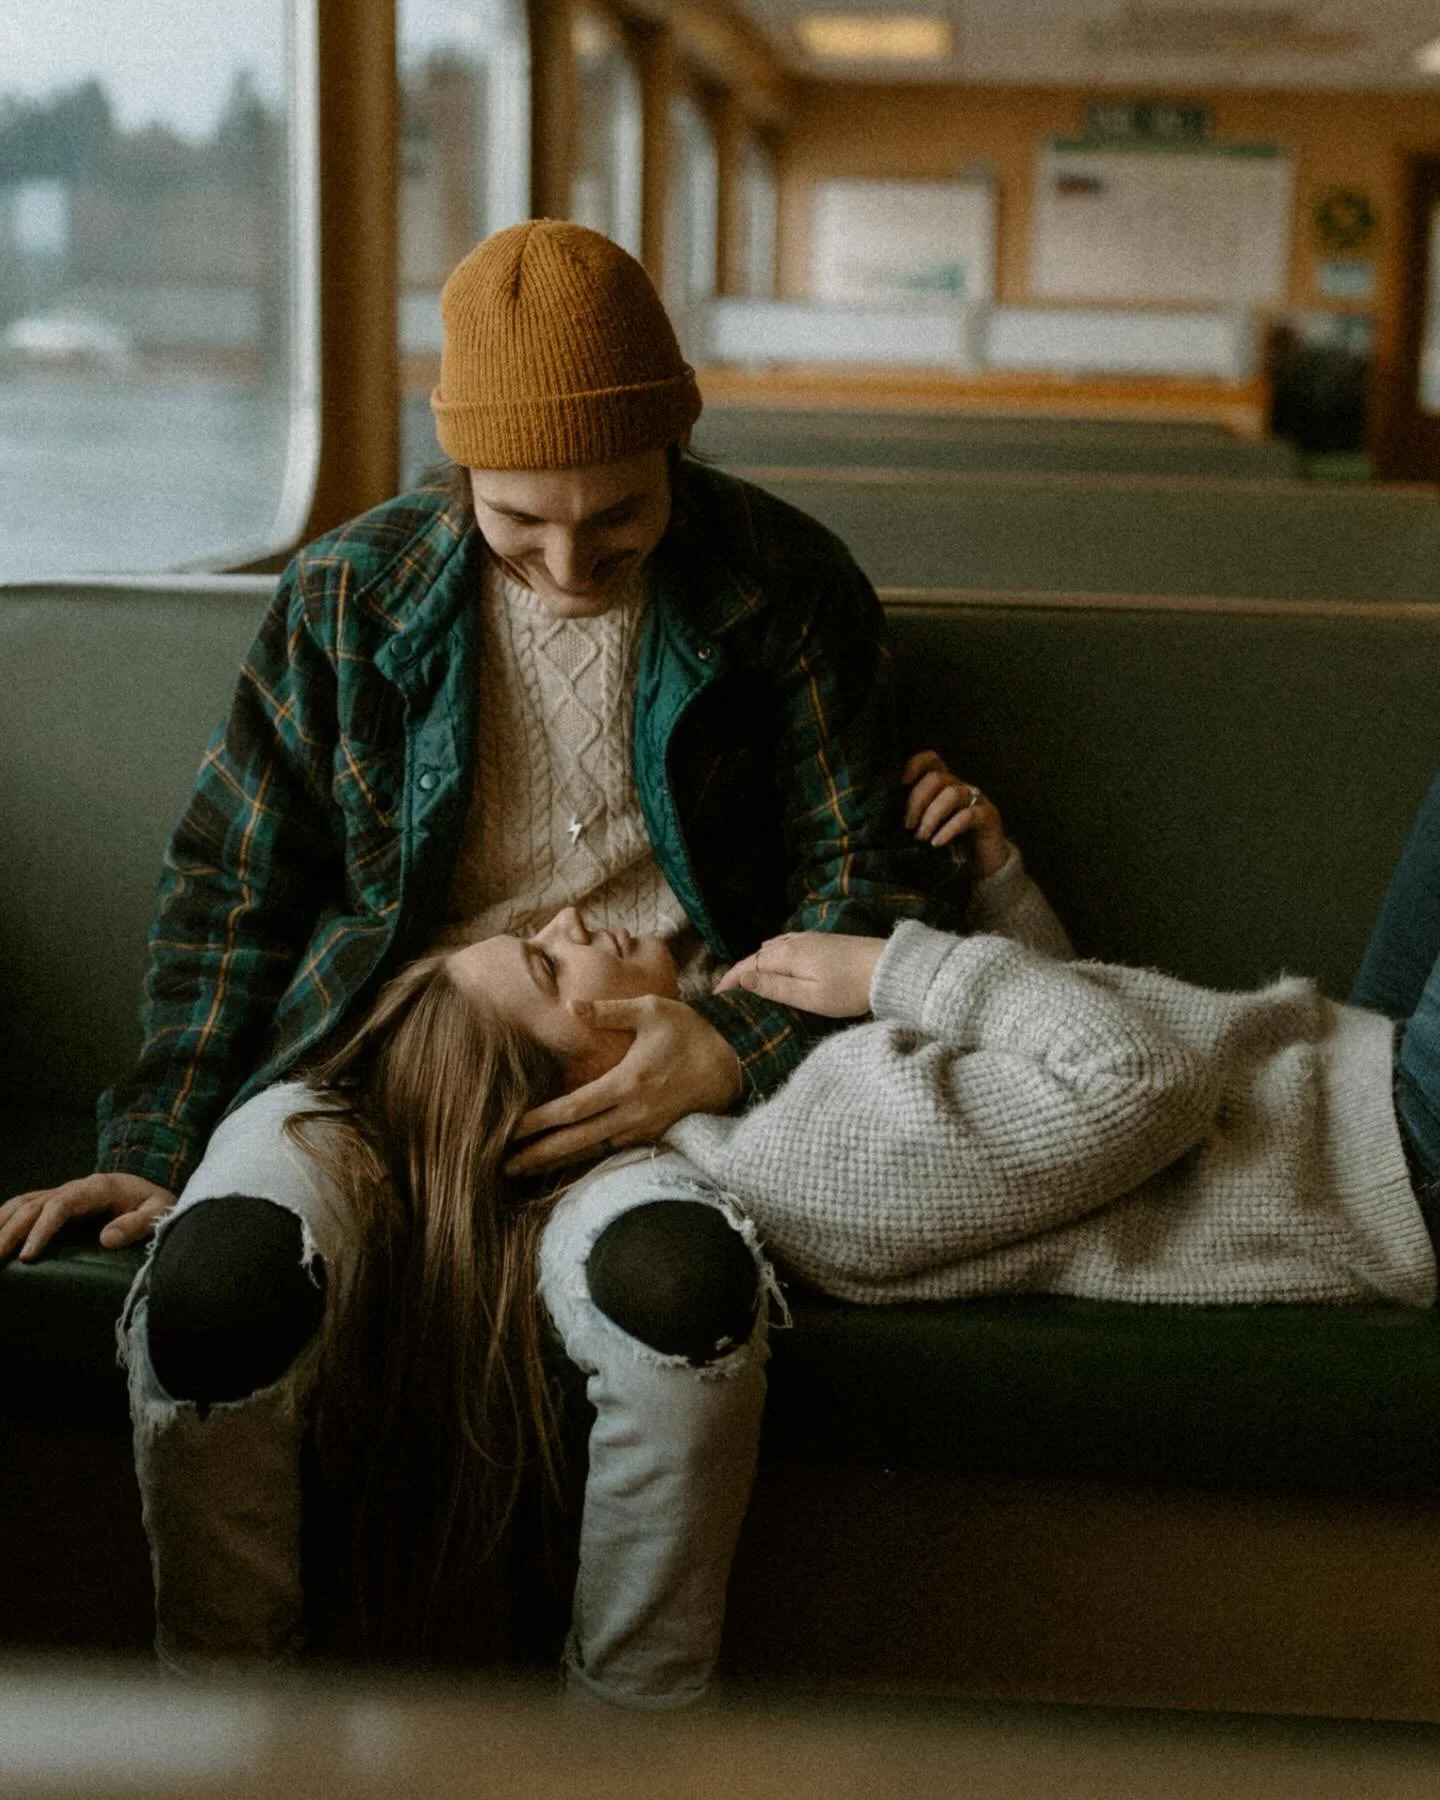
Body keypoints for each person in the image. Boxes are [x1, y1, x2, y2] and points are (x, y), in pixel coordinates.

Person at [0, 221, 963, 1700]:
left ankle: (629, 1739)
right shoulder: (348, 592)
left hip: (641, 1064)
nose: (572, 564)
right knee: (214, 1293)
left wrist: (735, 1048)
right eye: (521, 524)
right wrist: (156, 1146)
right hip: (367, 1051)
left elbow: (860, 878)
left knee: (680, 1294)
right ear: (458, 476)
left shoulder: (788, 585)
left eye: (619, 520)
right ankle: (226, 1724)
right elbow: (235, 887)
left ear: (677, 451)